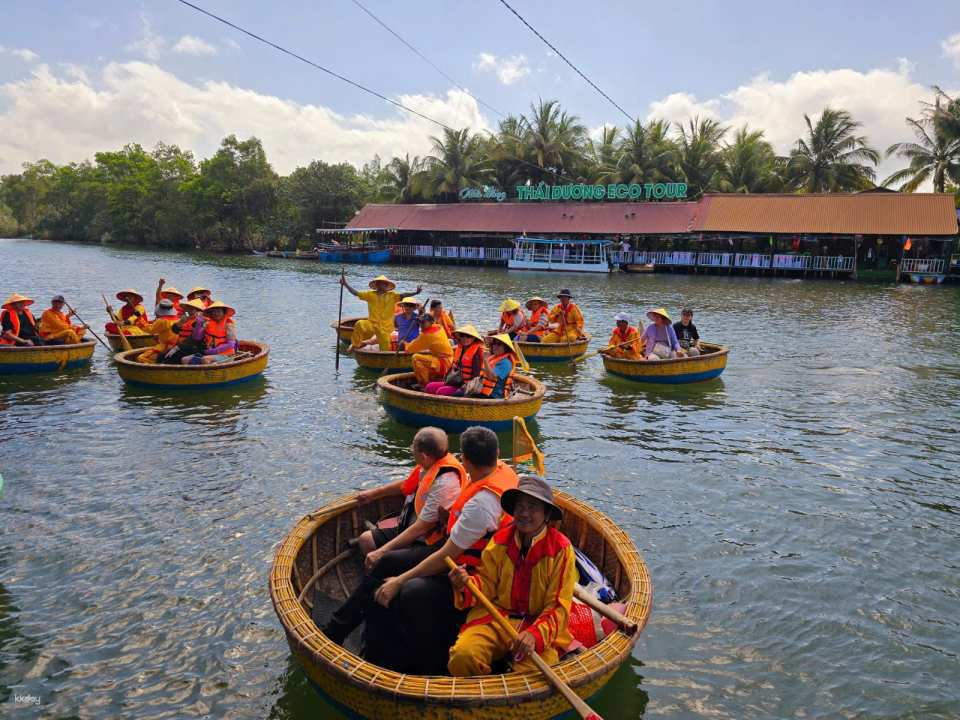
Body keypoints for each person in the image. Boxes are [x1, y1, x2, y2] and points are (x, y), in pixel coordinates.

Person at [369, 426, 519, 674]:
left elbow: (446, 555)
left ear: (465, 460)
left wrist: (399, 581)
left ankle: (430, 664)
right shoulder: (504, 471)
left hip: (477, 575)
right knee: (388, 565)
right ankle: (379, 640)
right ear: (497, 453)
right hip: (473, 554)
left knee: (410, 591)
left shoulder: (482, 503)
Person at [320, 427, 466, 645]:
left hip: (429, 543)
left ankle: (340, 624)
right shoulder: (430, 465)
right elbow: (406, 486)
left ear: (424, 455)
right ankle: (372, 587)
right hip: (408, 527)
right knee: (366, 540)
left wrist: (383, 551)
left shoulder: (446, 482)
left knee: (385, 560)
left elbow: (421, 527)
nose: (411, 451)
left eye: (413, 449)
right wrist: (373, 494)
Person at [447, 475, 577, 676]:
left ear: (546, 514)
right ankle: (480, 693)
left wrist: (534, 635)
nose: (524, 513)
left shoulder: (561, 550)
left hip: (536, 625)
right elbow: (487, 584)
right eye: (520, 507)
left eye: (532, 507)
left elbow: (558, 606)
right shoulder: (500, 540)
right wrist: (465, 584)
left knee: (533, 678)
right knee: (462, 656)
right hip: (496, 617)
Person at [342, 274, 422, 351]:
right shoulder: (369, 294)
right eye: (379, 283)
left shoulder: (392, 296)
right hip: (372, 324)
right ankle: (355, 344)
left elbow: (403, 295)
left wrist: (415, 293)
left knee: (385, 349)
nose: (381, 285)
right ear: (376, 285)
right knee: (360, 323)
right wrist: (346, 284)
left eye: (384, 284)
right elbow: (356, 293)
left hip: (385, 329)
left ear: (386, 286)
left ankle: (383, 357)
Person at [424, 324, 484, 396]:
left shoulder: (476, 354)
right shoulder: (459, 350)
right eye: (462, 336)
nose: (465, 338)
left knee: (441, 391)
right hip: (455, 381)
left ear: (474, 338)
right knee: (429, 387)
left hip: (467, 386)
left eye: (468, 336)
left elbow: (476, 377)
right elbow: (452, 368)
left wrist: (463, 387)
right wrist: (447, 379)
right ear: (460, 338)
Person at [403, 312, 454, 389]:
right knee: (427, 358)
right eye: (420, 322)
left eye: (423, 322)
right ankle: (432, 379)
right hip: (450, 361)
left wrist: (405, 344)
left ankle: (424, 384)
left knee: (415, 357)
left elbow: (410, 349)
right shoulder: (439, 327)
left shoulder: (427, 334)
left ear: (431, 322)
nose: (421, 324)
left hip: (444, 364)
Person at [161, 299, 206, 364]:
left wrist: (177, 347)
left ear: (197, 311)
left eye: (191, 309)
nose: (188, 310)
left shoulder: (199, 321)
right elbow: (175, 330)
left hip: (193, 347)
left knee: (171, 357)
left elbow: (194, 339)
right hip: (181, 345)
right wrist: (180, 322)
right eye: (187, 308)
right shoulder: (186, 318)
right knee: (162, 355)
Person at [474, 334, 516, 399]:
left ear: (506, 348)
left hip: (494, 396)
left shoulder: (506, 363)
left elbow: (491, 377)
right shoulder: (494, 358)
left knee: (460, 395)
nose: (495, 346)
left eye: (499, 344)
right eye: (494, 344)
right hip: (483, 391)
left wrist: (485, 360)